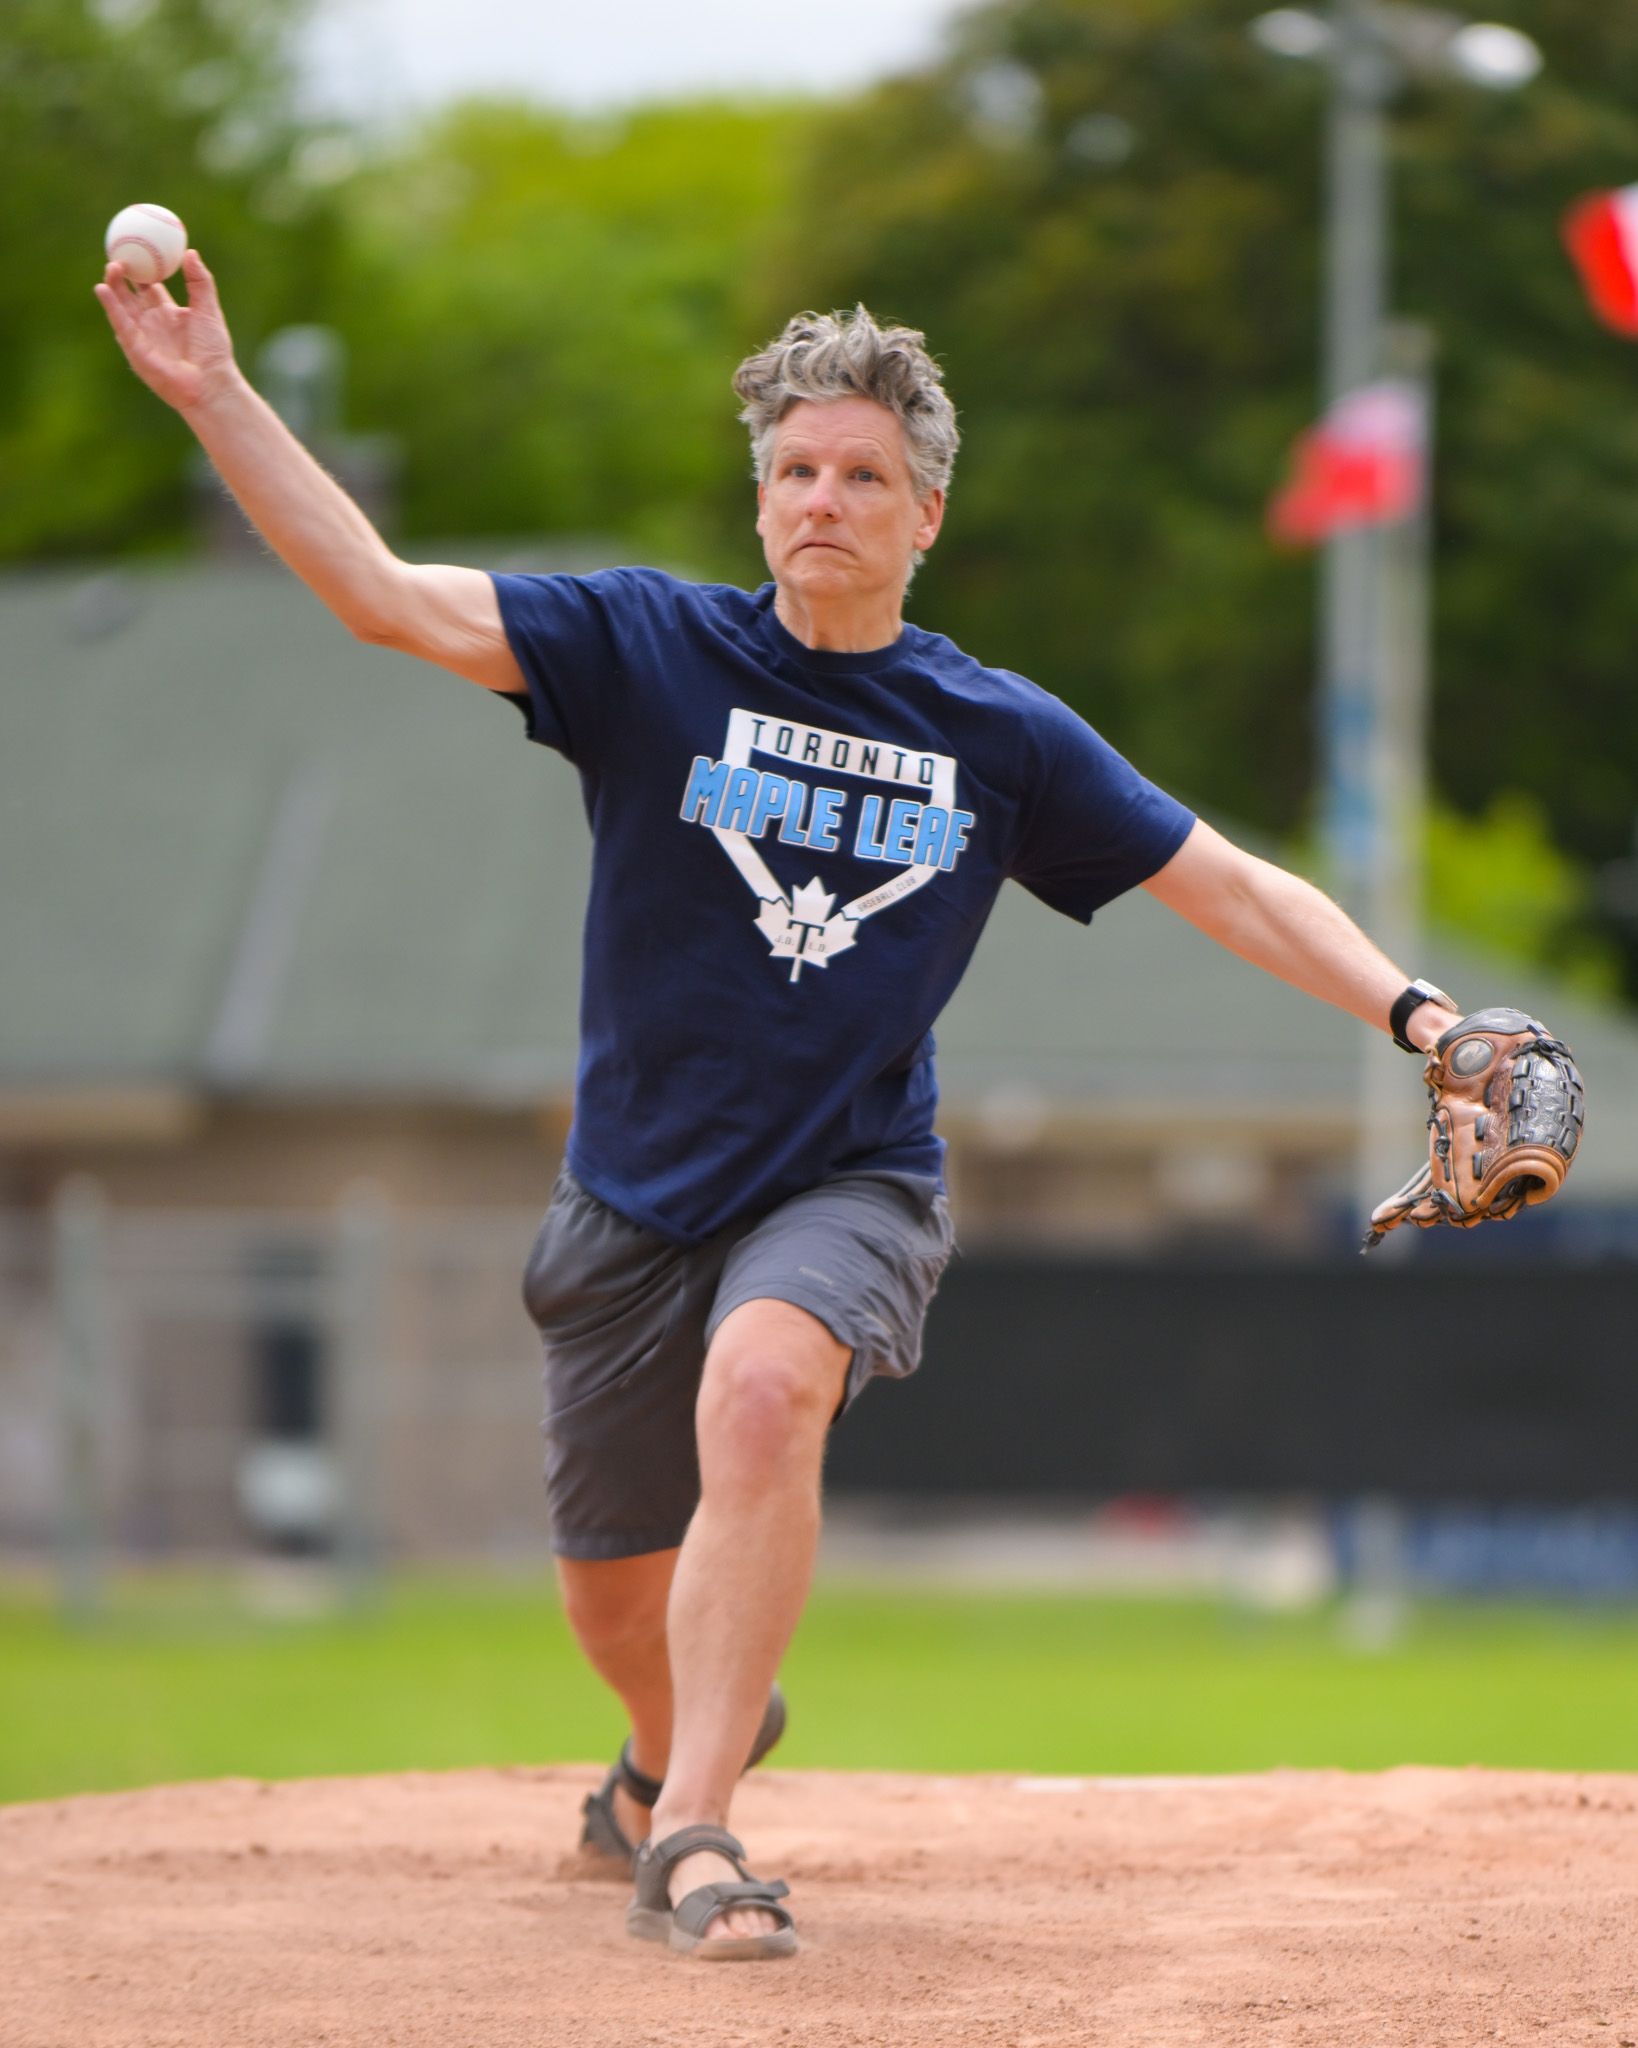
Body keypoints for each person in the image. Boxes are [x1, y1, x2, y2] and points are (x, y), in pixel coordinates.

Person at [96, 255, 1462, 1960]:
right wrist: (213, 391)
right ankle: (666, 1750)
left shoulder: (994, 735)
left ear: (924, 516)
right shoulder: (645, 651)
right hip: (628, 1198)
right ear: (760, 499)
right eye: (796, 469)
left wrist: (1423, 1018)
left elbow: (1231, 886)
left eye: (863, 475)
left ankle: (695, 1832)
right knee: (616, 1604)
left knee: (762, 1389)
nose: (824, 498)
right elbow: (379, 596)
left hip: (846, 1179)